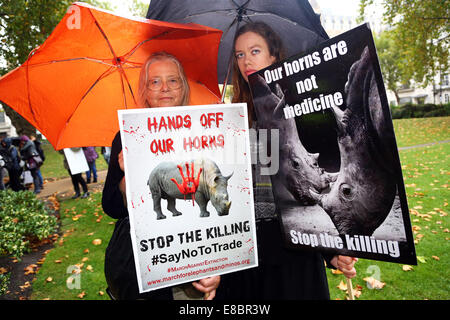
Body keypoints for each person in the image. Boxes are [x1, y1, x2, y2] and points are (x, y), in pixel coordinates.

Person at [216, 22, 357, 300]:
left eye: (255, 51)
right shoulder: (229, 117)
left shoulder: (299, 108)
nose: (247, 61)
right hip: (244, 259)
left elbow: (299, 178)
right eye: (240, 54)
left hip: (294, 259)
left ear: (274, 56)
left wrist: (331, 253)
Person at [102, 51, 220, 300]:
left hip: (196, 263)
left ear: (183, 86)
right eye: (155, 81)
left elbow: (219, 202)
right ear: (144, 90)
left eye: (173, 80)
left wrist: (218, 266)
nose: (164, 88)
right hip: (147, 266)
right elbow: (112, 207)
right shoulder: (125, 136)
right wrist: (128, 175)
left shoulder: (204, 131)